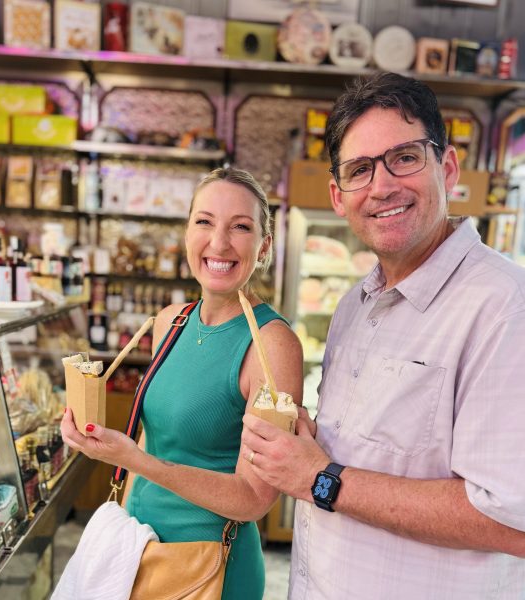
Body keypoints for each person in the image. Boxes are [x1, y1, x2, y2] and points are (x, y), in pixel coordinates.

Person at [242, 72, 525, 599]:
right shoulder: (355, 304)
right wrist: (307, 446)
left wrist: (322, 478)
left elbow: (512, 520)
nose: (383, 185)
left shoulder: (505, 306)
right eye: (360, 169)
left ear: (448, 167)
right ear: (337, 195)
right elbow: (372, 454)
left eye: (405, 158)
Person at [61, 167, 303, 599]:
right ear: (187, 231)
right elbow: (158, 439)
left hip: (208, 567)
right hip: (136, 552)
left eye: (241, 227)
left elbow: (254, 497)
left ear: (264, 246)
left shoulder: (272, 344)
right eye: (205, 222)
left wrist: (136, 461)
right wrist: (91, 436)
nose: (219, 242)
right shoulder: (169, 321)